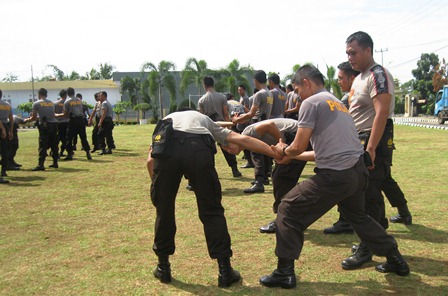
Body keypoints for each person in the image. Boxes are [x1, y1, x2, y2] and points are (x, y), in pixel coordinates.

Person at [259, 65, 409, 289]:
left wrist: (283, 151)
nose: (298, 97)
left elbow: (298, 145)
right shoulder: (337, 103)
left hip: (337, 175)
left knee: (288, 208)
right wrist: (292, 155)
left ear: (307, 83)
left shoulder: (311, 102)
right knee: (359, 217)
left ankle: (284, 271)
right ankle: (395, 257)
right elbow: (322, 151)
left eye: (298, 90)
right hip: (357, 172)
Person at [147, 109, 281, 287]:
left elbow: (150, 160)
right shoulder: (205, 121)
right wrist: (275, 154)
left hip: (167, 149)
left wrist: (158, 190)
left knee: (164, 211)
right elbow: (243, 140)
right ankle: (225, 271)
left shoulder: (165, 122)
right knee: (212, 212)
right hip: (198, 149)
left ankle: (163, 267)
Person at [341, 31, 411, 269]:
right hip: (360, 139)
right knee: (364, 192)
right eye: (347, 53)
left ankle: (369, 246)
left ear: (368, 50)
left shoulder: (377, 74)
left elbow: (381, 113)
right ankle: (373, 239)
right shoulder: (360, 77)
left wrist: (370, 148)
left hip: (374, 141)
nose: (350, 57)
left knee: (369, 193)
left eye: (354, 52)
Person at [241, 118, 312, 233]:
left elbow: (269, 125)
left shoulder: (247, 133)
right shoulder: (246, 140)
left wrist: (282, 144)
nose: (229, 150)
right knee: (281, 178)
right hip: (297, 136)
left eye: (228, 146)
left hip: (295, 137)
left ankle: (284, 219)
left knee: (282, 179)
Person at [323, 61, 360, 234]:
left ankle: (350, 223)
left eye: (341, 78)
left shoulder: (349, 97)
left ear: (352, 78)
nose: (339, 82)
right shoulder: (350, 96)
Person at [233, 70, 273, 193]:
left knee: (255, 151)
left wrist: (238, 119)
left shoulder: (259, 94)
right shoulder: (269, 93)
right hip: (266, 122)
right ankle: (265, 176)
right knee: (264, 150)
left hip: (257, 123)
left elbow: (251, 113)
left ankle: (259, 181)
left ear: (255, 81)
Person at [198, 76, 241, 177]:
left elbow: (201, 116)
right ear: (213, 84)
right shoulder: (222, 97)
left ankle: (211, 171)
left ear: (204, 85)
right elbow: (225, 113)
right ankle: (235, 170)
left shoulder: (202, 100)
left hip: (208, 126)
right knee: (226, 147)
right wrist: (228, 127)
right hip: (221, 124)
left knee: (209, 149)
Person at [23, 88, 59, 170]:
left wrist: (27, 120)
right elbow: (53, 115)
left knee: (43, 144)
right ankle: (55, 162)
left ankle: (41, 164)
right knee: (54, 144)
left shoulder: (36, 103)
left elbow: (34, 117)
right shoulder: (51, 103)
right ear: (46, 94)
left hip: (44, 125)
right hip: (54, 124)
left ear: (39, 94)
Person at [56, 87, 92, 161]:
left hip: (73, 120)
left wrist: (57, 115)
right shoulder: (79, 100)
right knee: (83, 137)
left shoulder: (67, 102)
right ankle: (88, 153)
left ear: (68, 94)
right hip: (81, 120)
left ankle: (69, 154)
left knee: (69, 137)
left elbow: (65, 114)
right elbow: (81, 111)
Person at [0, 89, 14, 178]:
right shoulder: (7, 105)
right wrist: (11, 131)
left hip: (1, 127)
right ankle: (4, 170)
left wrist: (2, 129)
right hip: (6, 125)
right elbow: (11, 119)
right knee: (4, 150)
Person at [54, 89, 69, 157]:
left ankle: (56, 151)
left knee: (60, 138)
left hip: (59, 122)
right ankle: (66, 150)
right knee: (66, 138)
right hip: (67, 122)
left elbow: (53, 113)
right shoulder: (68, 102)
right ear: (66, 95)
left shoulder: (55, 103)